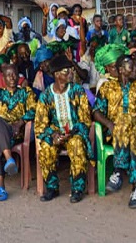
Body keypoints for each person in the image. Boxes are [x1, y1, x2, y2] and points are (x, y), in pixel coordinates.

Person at [34, 55, 93, 203]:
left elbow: (85, 119)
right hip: (55, 134)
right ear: (56, 75)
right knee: (46, 147)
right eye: (66, 71)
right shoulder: (46, 95)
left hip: (75, 133)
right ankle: (52, 188)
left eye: (71, 70)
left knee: (77, 145)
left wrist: (72, 132)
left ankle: (78, 188)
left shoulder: (78, 91)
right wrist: (53, 134)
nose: (71, 74)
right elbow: (40, 124)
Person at [0, 64, 37, 201]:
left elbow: (34, 110)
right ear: (3, 77)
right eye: (8, 75)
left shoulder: (26, 93)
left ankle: (0, 183)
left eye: (14, 74)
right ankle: (8, 158)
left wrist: (20, 122)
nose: (12, 78)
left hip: (17, 132)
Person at [93, 55, 136, 208]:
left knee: (130, 128)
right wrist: (109, 124)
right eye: (131, 65)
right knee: (126, 128)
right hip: (114, 133)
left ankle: (118, 171)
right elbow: (96, 112)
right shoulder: (108, 88)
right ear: (121, 70)